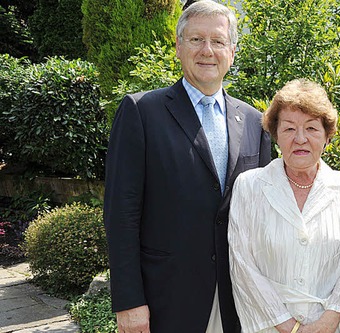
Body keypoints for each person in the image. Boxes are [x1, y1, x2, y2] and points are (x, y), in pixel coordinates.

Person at [103, 1, 271, 332]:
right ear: (179, 47)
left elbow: (262, 214)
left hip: (239, 300)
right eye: (196, 40)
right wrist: (129, 301)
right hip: (166, 299)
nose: (207, 50)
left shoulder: (254, 121)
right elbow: (121, 215)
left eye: (218, 41)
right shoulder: (141, 112)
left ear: (232, 51)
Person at [228, 79, 340, 333]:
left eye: (312, 128)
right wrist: (290, 327)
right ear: (276, 135)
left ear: (327, 136)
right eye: (289, 129)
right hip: (271, 328)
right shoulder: (248, 187)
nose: (300, 139)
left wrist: (326, 324)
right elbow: (242, 264)